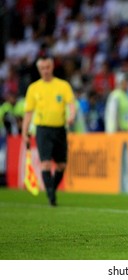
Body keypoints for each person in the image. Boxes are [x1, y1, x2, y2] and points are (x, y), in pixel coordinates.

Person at [22, 56, 76, 206]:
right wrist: (24, 132)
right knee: (45, 163)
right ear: (39, 69)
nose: (45, 71)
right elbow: (28, 113)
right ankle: (51, 195)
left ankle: (50, 188)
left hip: (59, 129)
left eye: (48, 67)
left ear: (52, 67)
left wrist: (71, 116)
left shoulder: (63, 86)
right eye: (42, 68)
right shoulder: (33, 88)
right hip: (43, 129)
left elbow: (71, 104)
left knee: (61, 165)